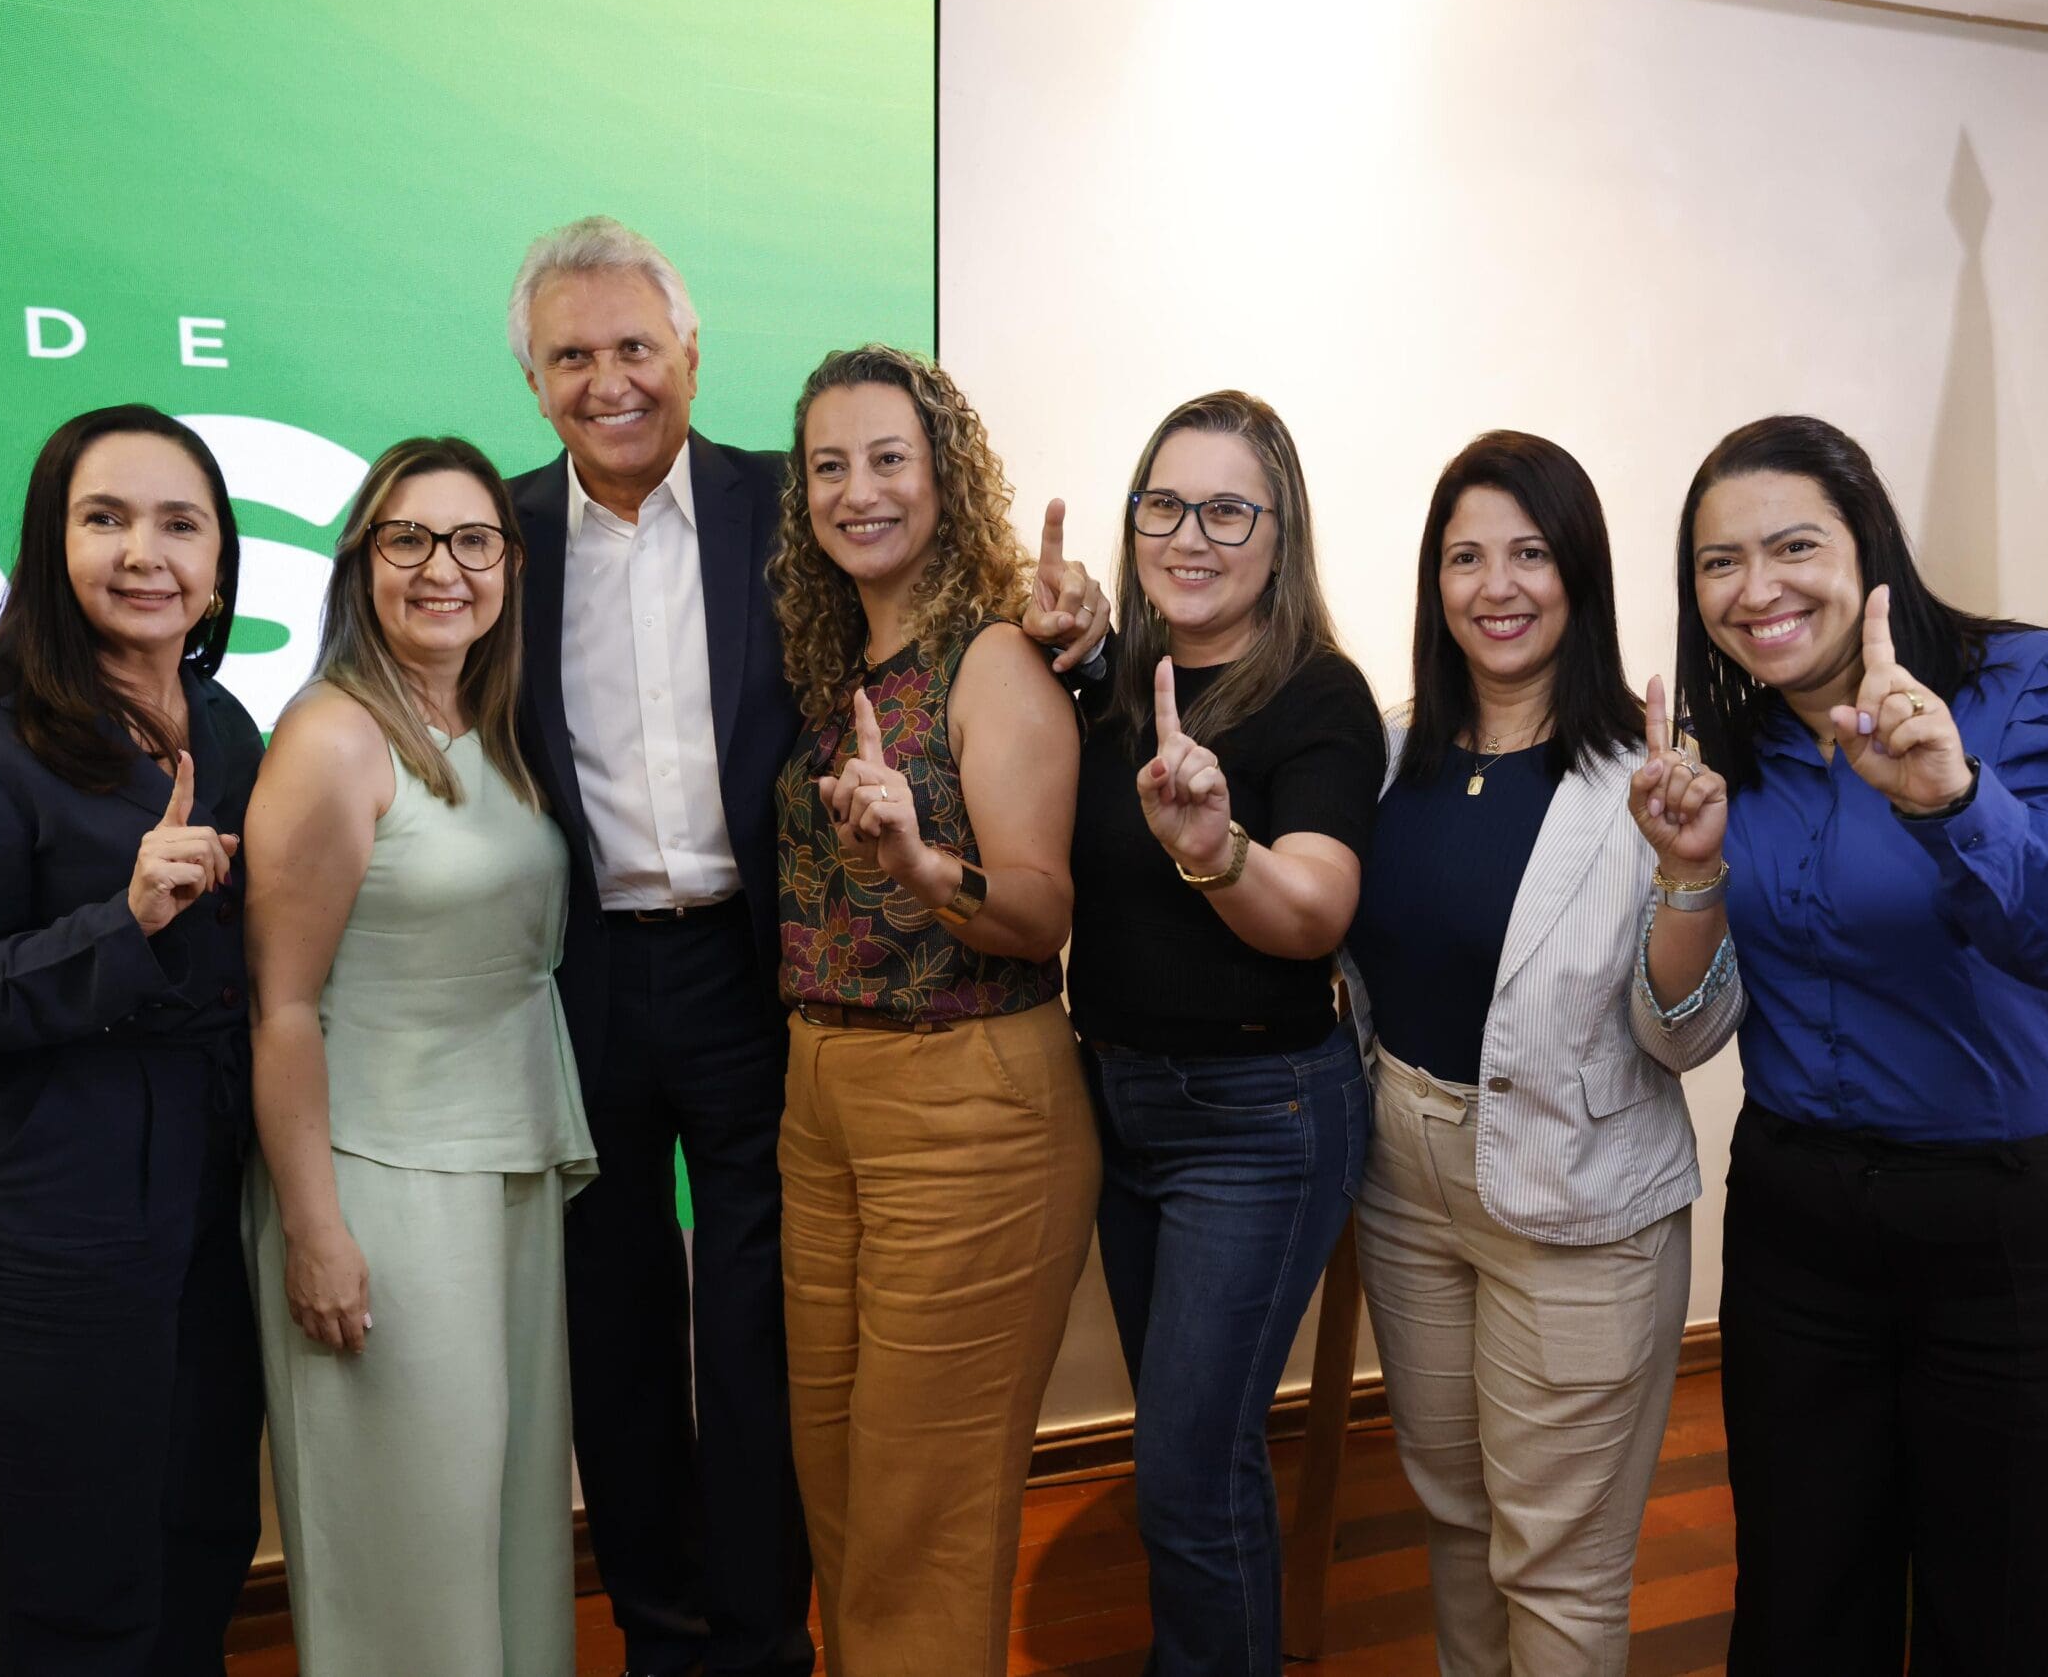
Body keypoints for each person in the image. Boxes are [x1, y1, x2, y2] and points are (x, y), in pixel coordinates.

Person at [502, 215, 1106, 1677]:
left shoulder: (788, 509)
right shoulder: (495, 536)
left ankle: (771, 1637)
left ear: (690, 354)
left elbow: (970, 617)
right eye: (571, 355)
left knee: (776, 1353)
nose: (610, 381)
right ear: (532, 378)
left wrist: (1079, 624)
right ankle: (666, 1634)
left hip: (756, 978)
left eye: (635, 346)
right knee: (621, 1332)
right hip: (585, 975)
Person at [1656, 414, 2048, 1676]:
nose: (1758, 589)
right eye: (1718, 563)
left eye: (1793, 544)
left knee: (2021, 1606)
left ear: (1871, 550)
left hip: (2024, 1225)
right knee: (1802, 1595)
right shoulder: (1735, 755)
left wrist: (1962, 802)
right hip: (1802, 1222)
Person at [1338, 432, 1743, 1675]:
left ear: (1578, 573)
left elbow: (1683, 1033)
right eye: (1465, 557)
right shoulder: (1394, 752)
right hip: (1405, 1187)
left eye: (1527, 553)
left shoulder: (1645, 774)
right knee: (1456, 1520)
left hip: (1575, 1208)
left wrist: (1688, 875)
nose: (1495, 586)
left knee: (1555, 1566)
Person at [0, 404, 261, 1675]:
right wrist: (127, 918)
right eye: (106, 519)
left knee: (203, 1536)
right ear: (53, 543)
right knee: (74, 1579)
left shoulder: (233, 724)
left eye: (178, 523)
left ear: (218, 561)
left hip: (214, 1182)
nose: (144, 552)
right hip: (50, 1194)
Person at [764, 343, 1097, 1673]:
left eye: (888, 458)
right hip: (822, 1097)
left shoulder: (996, 661)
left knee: (925, 1504)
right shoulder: (842, 655)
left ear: (946, 476)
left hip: (971, 1106)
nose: (858, 491)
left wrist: (917, 863)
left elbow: (1037, 910)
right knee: (840, 1481)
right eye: (830, 466)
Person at [240, 437, 595, 1673]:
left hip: (504, 1165)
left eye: (473, 541)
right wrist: (316, 1230)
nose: (443, 568)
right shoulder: (333, 739)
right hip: (380, 1181)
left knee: (502, 1531)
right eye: (409, 539)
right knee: (410, 1550)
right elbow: (280, 1008)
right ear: (360, 562)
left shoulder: (488, 723)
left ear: (508, 564)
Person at [1068, 390, 1387, 1677]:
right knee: (1188, 1458)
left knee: (1189, 1472)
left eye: (1225, 510)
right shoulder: (1106, 686)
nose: (1187, 536)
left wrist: (1215, 850)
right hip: (1121, 1102)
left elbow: (1312, 912)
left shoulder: (1318, 695)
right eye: (1163, 504)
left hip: (1261, 1116)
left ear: (1279, 532)